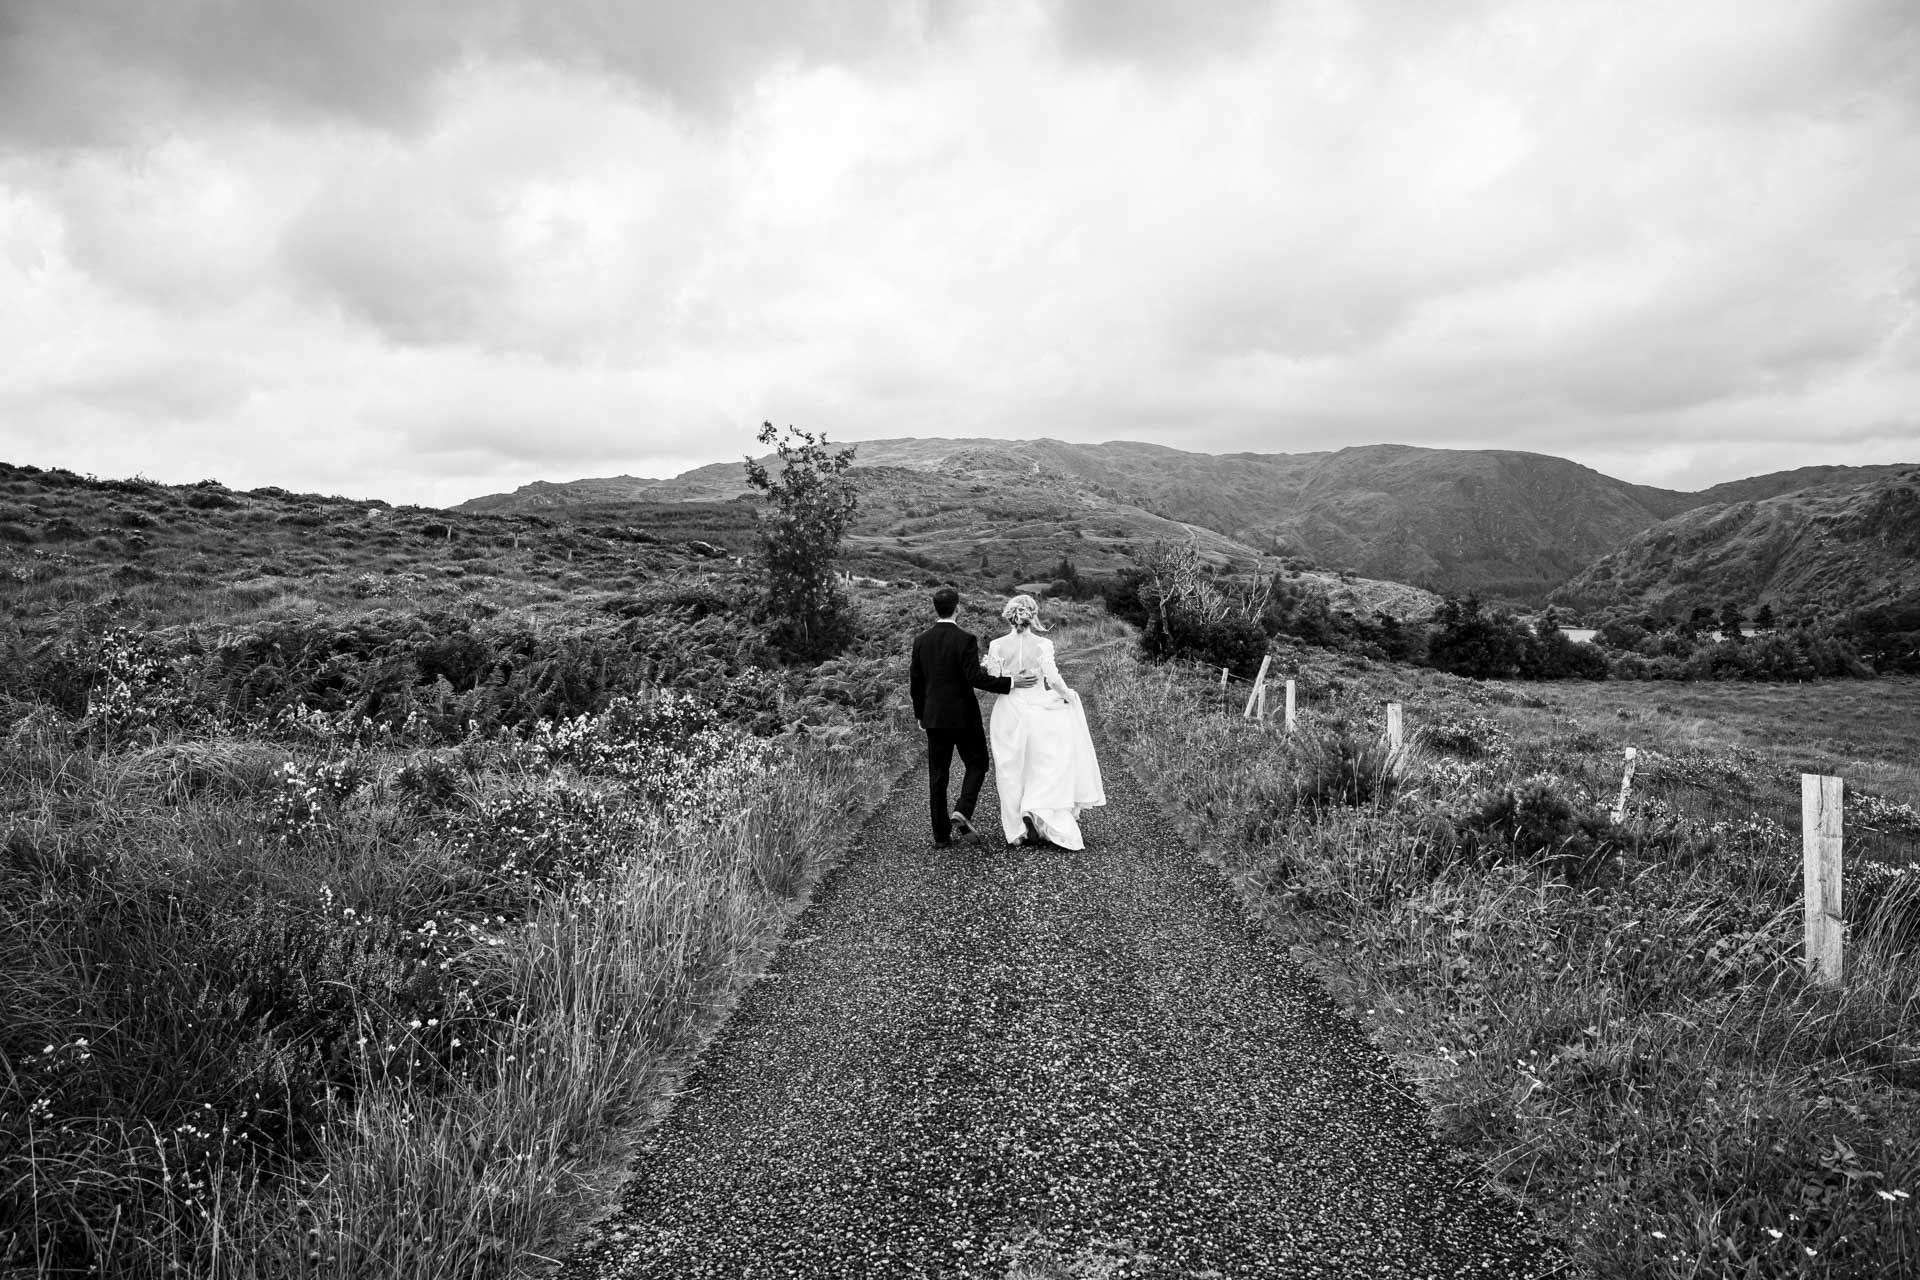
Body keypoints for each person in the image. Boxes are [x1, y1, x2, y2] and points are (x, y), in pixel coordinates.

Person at [909, 586, 1037, 847]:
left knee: (938, 776)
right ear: (958, 608)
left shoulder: (921, 640)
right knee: (977, 764)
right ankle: (963, 809)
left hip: (934, 718)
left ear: (936, 609)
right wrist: (1011, 682)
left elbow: (916, 681)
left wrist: (920, 714)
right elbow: (975, 679)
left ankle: (941, 837)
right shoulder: (965, 639)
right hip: (964, 717)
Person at [985, 595, 1105, 849]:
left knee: (1009, 769)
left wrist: (1005, 674)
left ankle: (1015, 831)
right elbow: (1052, 677)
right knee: (1041, 765)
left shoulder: (996, 645)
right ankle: (1035, 810)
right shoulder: (1043, 644)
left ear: (1009, 615)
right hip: (1038, 708)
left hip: (1008, 710)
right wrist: (1067, 695)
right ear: (1033, 615)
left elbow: (995, 679)